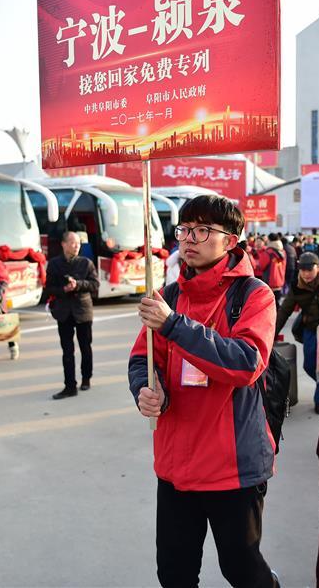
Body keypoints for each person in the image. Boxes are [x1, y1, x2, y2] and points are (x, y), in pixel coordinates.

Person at [129, 195, 278, 588]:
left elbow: (246, 363)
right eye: (184, 229)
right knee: (175, 573)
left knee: (241, 569)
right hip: (176, 464)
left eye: (202, 230)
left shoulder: (253, 295)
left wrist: (175, 326)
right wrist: (146, 389)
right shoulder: (170, 296)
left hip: (233, 466)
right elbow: (143, 359)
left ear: (230, 241)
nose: (189, 239)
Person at [276, 252, 319, 414]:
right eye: (303, 270)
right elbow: (284, 311)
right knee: (309, 365)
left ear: (318, 267)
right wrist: (271, 334)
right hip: (310, 329)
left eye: (310, 270)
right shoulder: (296, 286)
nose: (306, 274)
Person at [46, 232, 100, 400]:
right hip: (63, 312)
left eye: (78, 243)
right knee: (67, 350)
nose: (76, 246)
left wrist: (78, 285)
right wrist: (63, 290)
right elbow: (49, 288)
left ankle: (86, 378)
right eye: (72, 242)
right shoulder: (54, 264)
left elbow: (95, 284)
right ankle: (70, 385)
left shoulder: (86, 263)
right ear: (63, 244)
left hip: (83, 311)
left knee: (85, 347)